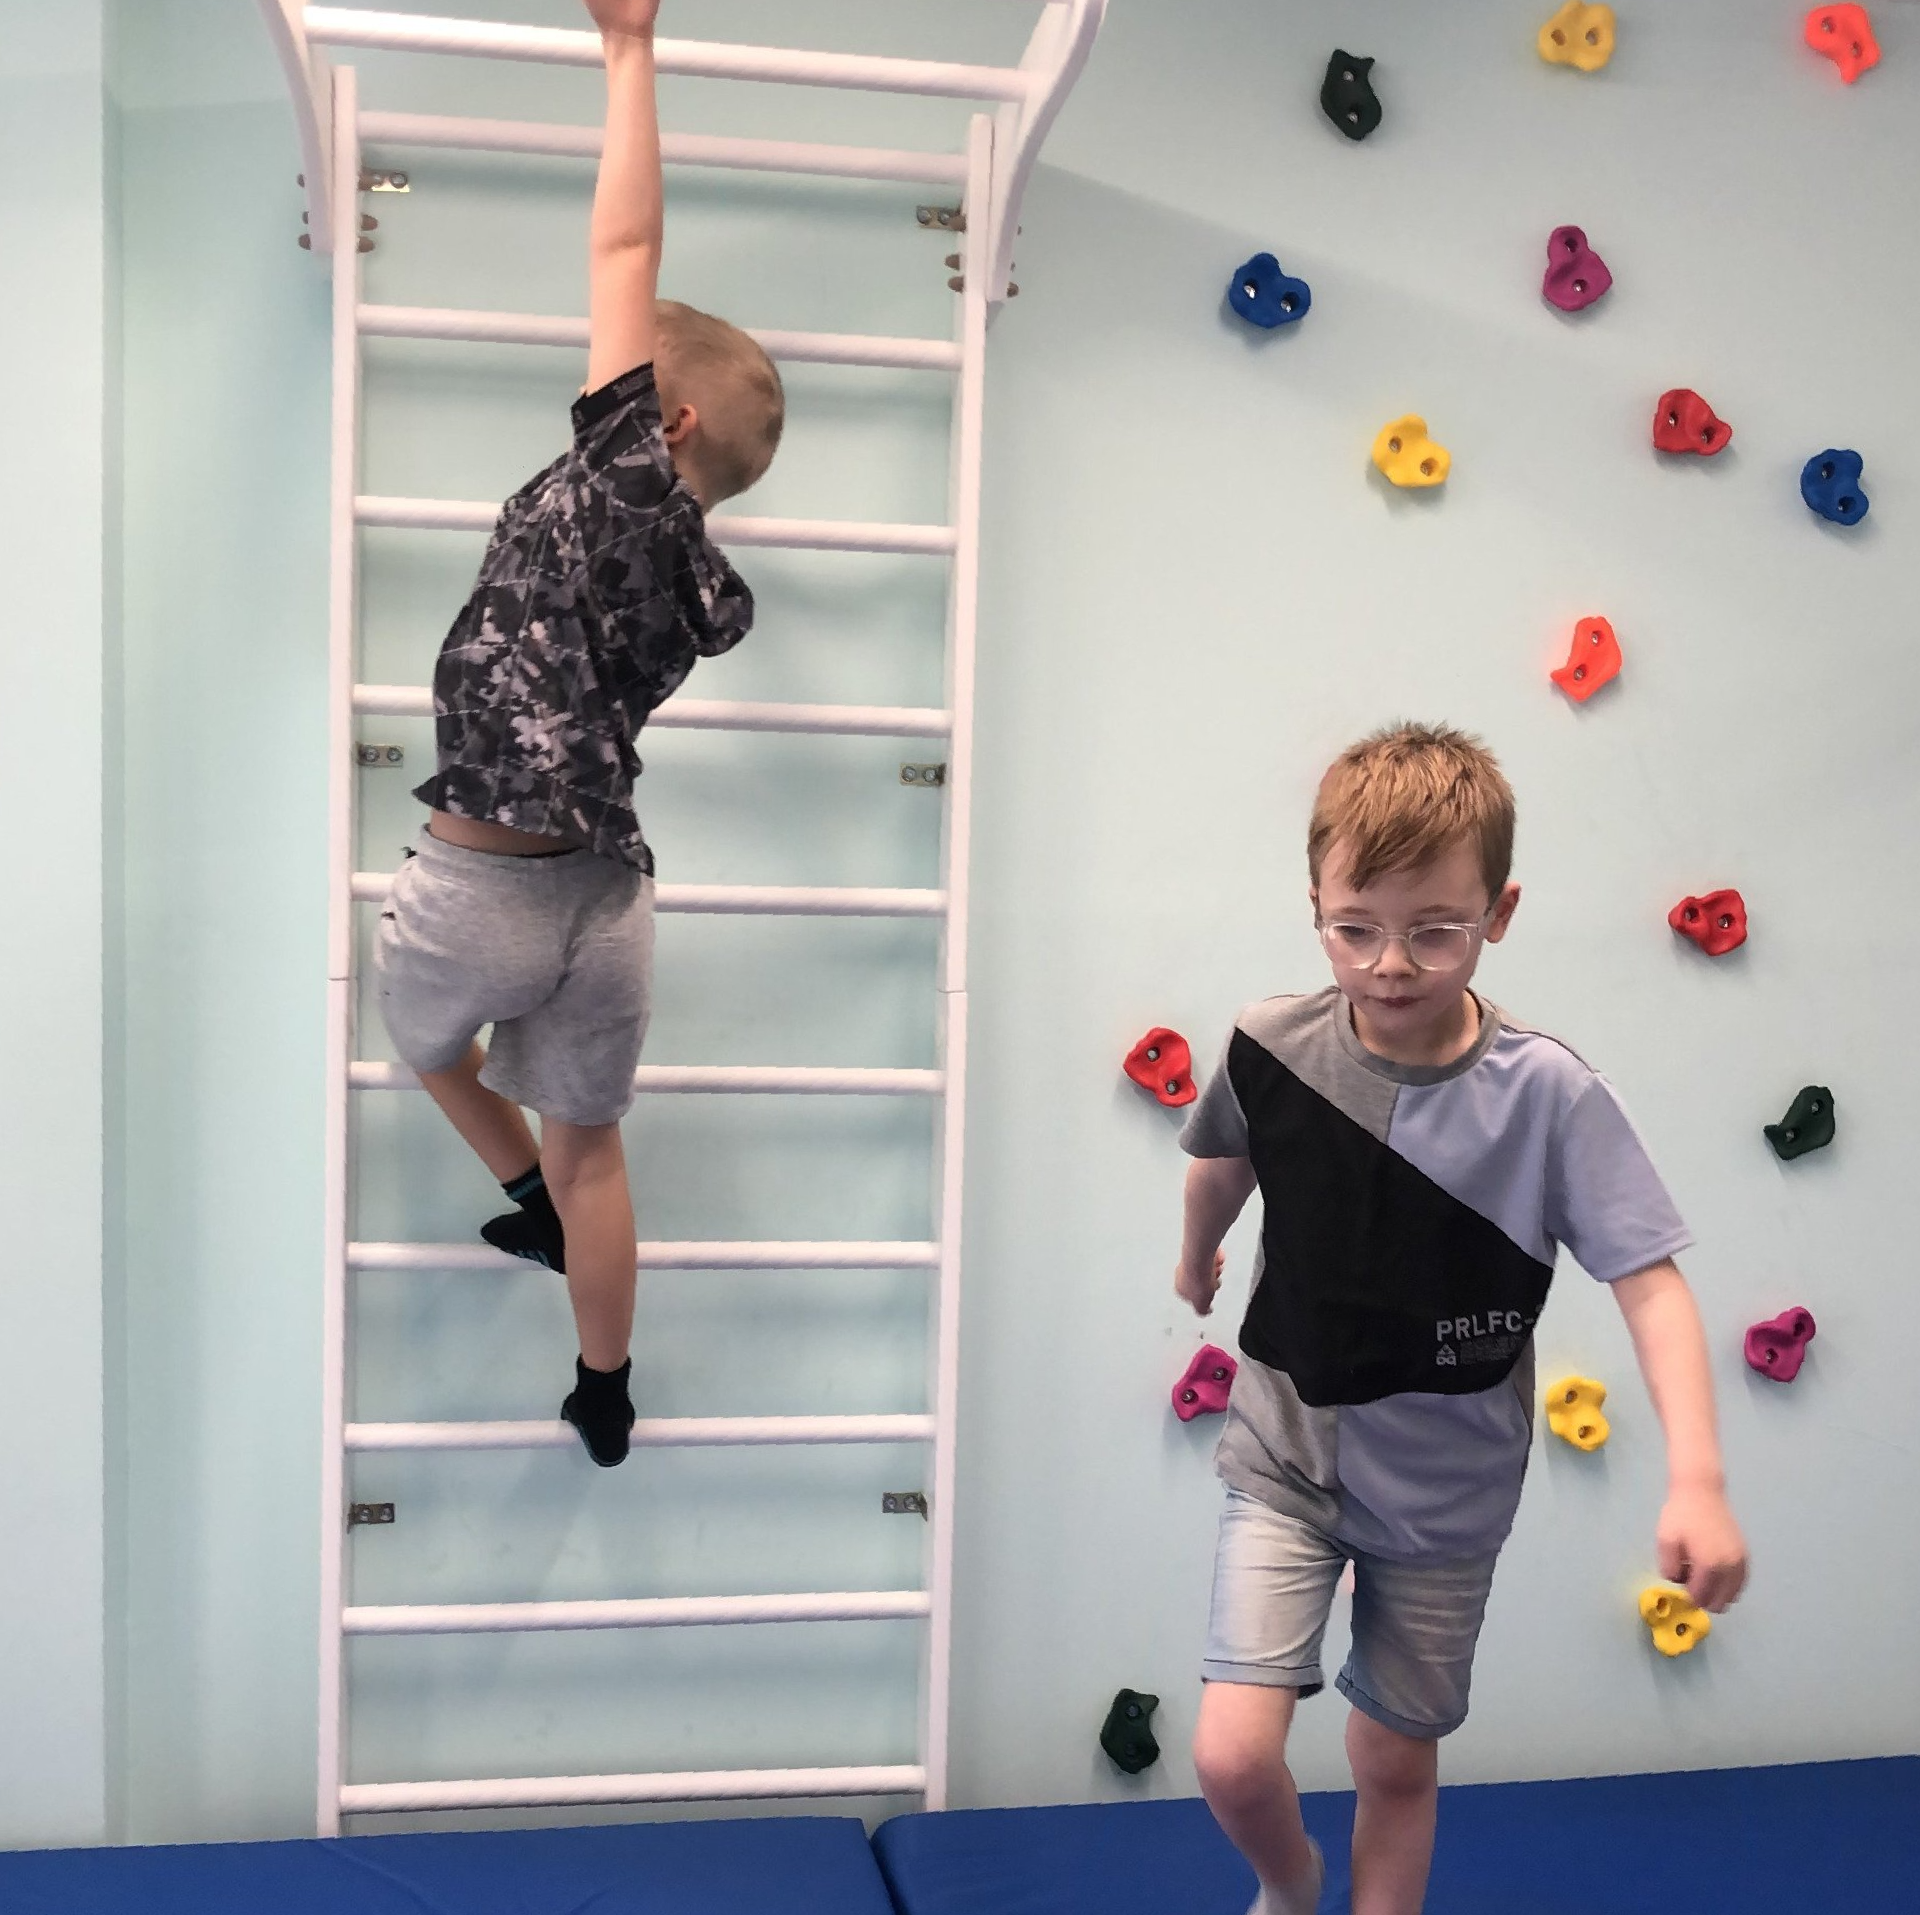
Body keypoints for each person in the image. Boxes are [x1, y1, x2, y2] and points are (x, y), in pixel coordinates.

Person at [1173, 722, 1749, 1914]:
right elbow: (1222, 1158)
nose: (1391, 962)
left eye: (1435, 928)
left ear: (1500, 911)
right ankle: (1292, 1883)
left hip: (1449, 1485)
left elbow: (1649, 1281)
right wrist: (1197, 1257)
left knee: (1391, 1755)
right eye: (1356, 928)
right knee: (1232, 1754)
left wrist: (1696, 1476)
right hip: (1289, 1448)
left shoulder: (1547, 1096)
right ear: (1316, 907)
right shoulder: (1271, 1044)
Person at [374, 0, 785, 1468]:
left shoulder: (618, 480)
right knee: (596, 1145)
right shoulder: (693, 578)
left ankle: (525, 1196)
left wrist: (629, 50)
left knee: (415, 1029)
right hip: (607, 896)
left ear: (655, 422)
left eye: (617, 389)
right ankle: (603, 1379)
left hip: (489, 872)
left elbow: (625, 251)